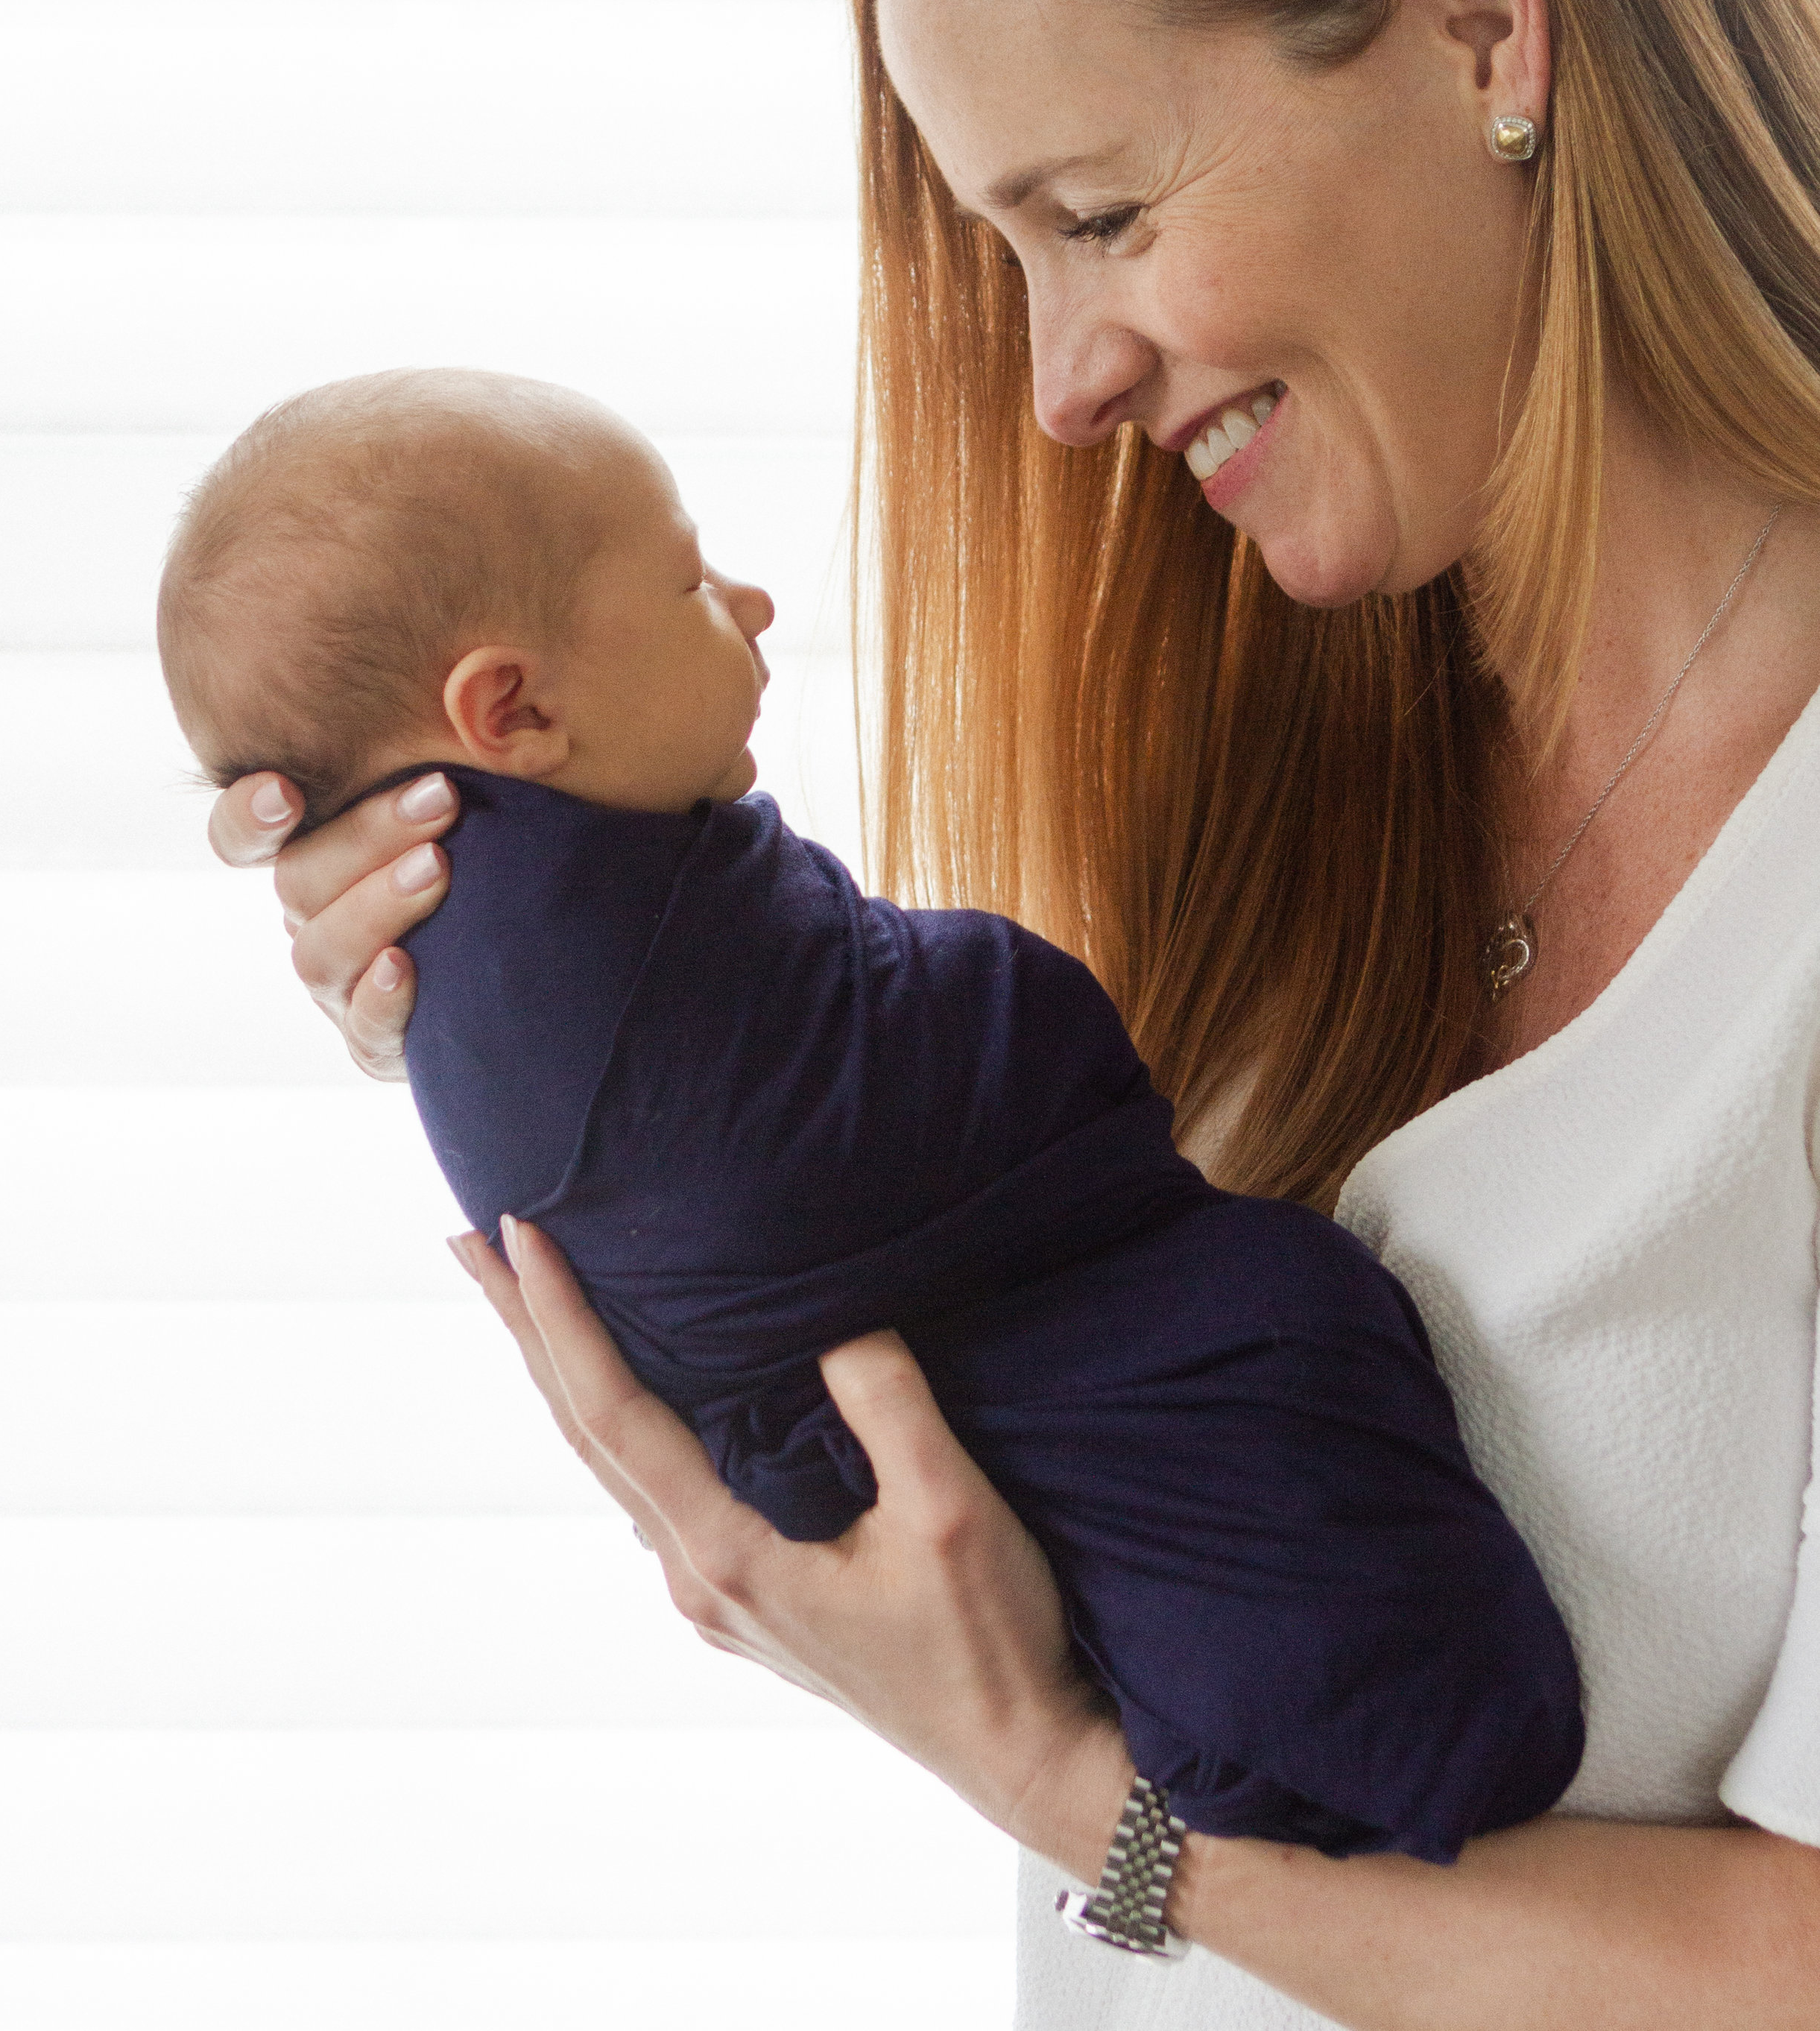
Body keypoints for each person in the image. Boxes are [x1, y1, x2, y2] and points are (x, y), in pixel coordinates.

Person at [206, 0, 1820, 2024]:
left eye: (1097, 213)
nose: (1060, 383)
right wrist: (506, 969)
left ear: (1483, 24)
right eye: (1009, 254)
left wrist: (1083, 1810)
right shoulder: (1319, 783)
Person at [157, 367, 1582, 1877]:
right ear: (510, 710)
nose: (755, 602)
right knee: (1280, 1373)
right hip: (908, 1392)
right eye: (691, 580)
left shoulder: (564, 905)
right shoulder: (529, 952)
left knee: (1274, 1369)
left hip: (957, 1413)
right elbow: (927, 1087)